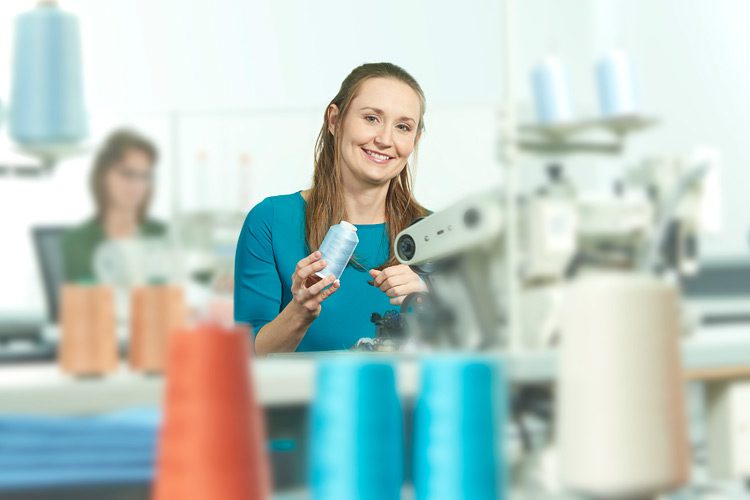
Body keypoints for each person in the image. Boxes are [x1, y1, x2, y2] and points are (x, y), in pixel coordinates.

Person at [235, 62, 431, 354]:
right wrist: (299, 312)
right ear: (334, 120)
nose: (385, 140)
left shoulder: (434, 235)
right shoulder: (271, 222)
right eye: (371, 118)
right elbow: (247, 360)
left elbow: (475, 357)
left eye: (403, 127)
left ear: (414, 140)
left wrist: (431, 303)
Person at [62, 129, 166, 283]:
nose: (137, 185)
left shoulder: (162, 234)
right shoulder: (77, 243)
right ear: (103, 176)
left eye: (144, 176)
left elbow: (202, 281)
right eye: (128, 173)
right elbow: (88, 299)